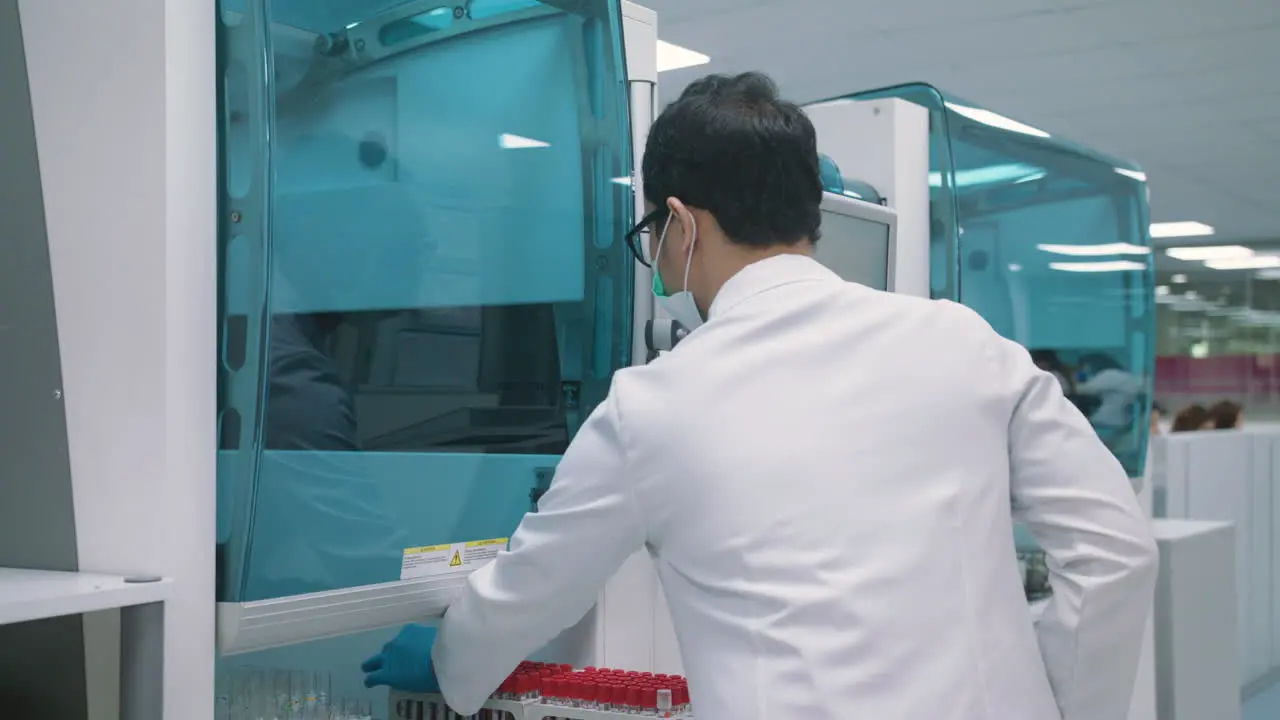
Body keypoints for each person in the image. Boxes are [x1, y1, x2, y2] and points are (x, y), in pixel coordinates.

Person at [361, 72, 1158, 720]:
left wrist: (446, 661)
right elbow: (1117, 552)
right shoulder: (965, 342)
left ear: (679, 223)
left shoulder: (655, 406)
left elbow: (532, 588)